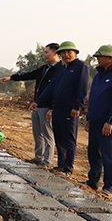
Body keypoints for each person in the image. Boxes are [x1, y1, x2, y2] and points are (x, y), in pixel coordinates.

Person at [0, 43, 61, 167]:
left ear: (55, 53)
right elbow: (27, 74)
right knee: (37, 133)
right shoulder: (44, 69)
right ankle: (39, 157)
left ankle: (47, 162)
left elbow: (59, 91)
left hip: (47, 107)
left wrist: (53, 108)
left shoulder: (60, 70)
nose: (45, 55)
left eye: (46, 52)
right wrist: (11, 77)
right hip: (36, 105)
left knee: (48, 135)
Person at [35, 41, 90, 175]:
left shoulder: (80, 67)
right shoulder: (62, 69)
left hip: (70, 109)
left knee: (69, 139)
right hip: (58, 108)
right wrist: (38, 101)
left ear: (75, 53)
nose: (66, 55)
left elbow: (82, 88)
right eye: (63, 53)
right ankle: (61, 164)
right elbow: (51, 87)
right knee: (59, 137)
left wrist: (77, 106)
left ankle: (68, 168)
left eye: (69, 52)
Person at [84, 45, 112, 197]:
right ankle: (93, 181)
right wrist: (89, 118)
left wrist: (111, 121)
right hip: (96, 120)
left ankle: (109, 186)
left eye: (99, 56)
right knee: (93, 152)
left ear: (109, 58)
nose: (97, 59)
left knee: (108, 155)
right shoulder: (98, 75)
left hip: (107, 122)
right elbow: (93, 98)